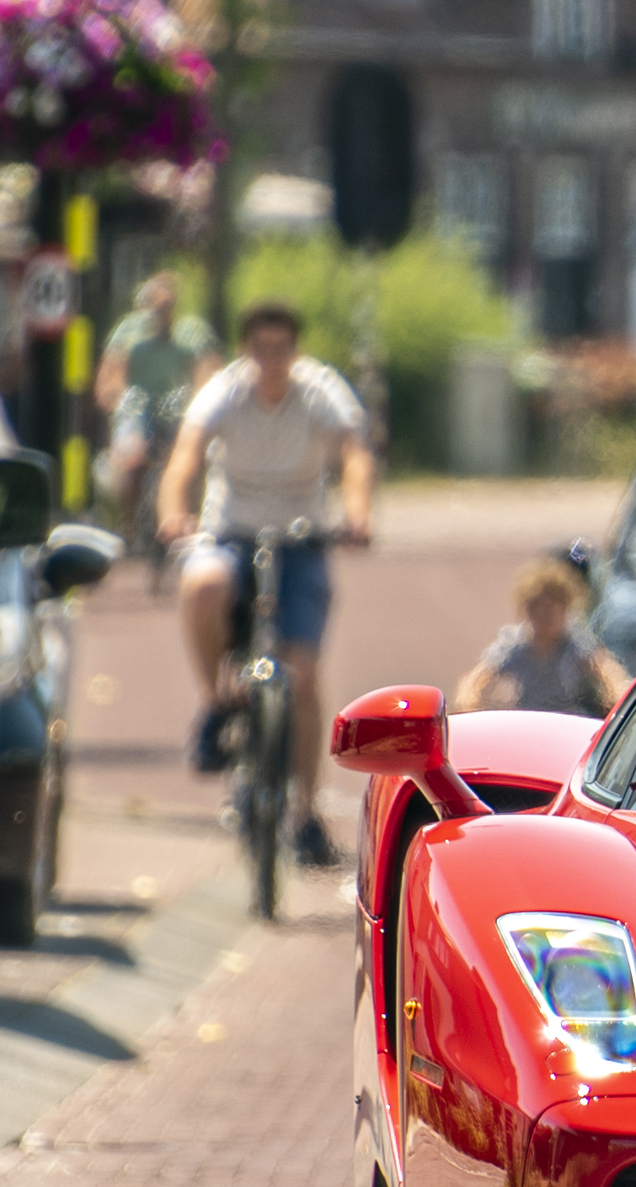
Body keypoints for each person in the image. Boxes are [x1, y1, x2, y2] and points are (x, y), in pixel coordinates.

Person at [158, 300, 377, 869]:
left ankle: (305, 813)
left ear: (295, 351)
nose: (272, 360)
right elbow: (186, 456)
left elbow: (353, 455)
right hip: (231, 533)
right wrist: (174, 511)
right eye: (261, 349)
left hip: (303, 538)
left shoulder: (319, 392)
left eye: (282, 350)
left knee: (301, 677)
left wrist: (357, 512)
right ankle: (214, 704)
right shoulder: (225, 393)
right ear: (245, 351)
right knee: (202, 586)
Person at [97, 272, 219, 557]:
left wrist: (203, 395)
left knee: (193, 451)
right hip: (139, 407)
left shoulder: (192, 332)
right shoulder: (128, 331)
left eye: (167, 306)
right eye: (155, 305)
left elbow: (208, 367)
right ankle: (128, 525)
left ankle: (191, 517)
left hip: (176, 405)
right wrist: (112, 394)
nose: (161, 312)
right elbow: (111, 369)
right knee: (132, 458)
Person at [455, 558, 633, 717]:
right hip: (529, 723)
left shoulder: (574, 644)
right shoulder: (515, 646)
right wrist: (472, 704)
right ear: (528, 610)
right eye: (539, 609)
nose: (547, 617)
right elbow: (476, 681)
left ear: (565, 609)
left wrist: (619, 702)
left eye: (554, 609)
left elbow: (608, 673)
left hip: (568, 724)